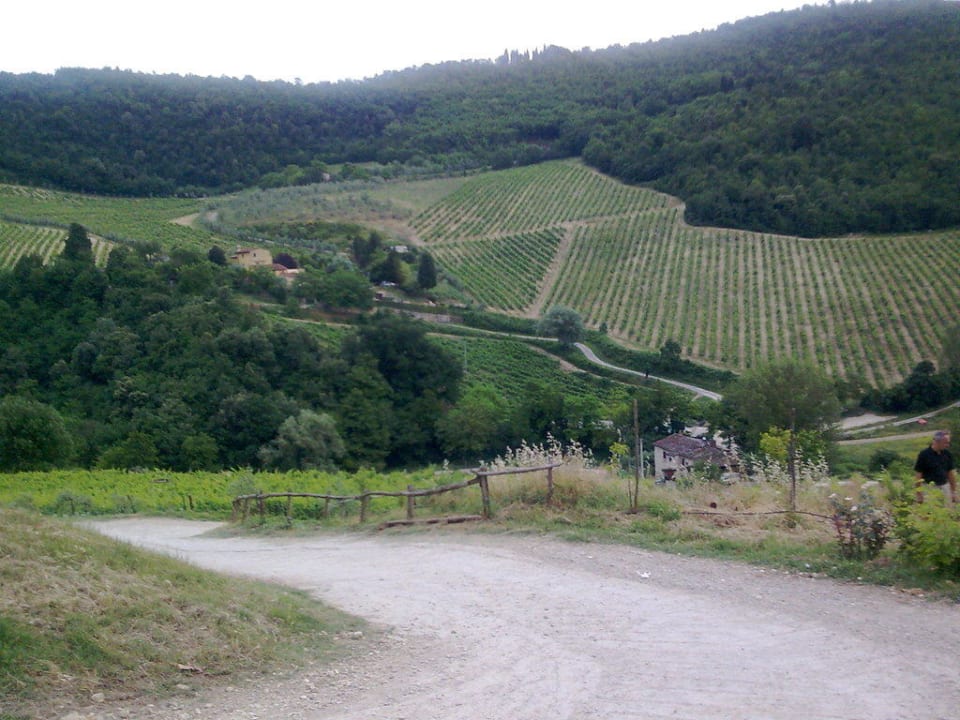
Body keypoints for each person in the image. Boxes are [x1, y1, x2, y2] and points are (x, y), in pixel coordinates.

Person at [914, 430, 957, 505]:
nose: (947, 445)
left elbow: (950, 473)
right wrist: (919, 493)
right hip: (929, 489)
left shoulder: (947, 454)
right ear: (937, 442)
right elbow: (918, 475)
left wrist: (953, 491)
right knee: (931, 512)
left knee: (945, 512)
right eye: (945, 443)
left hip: (944, 487)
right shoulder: (924, 455)